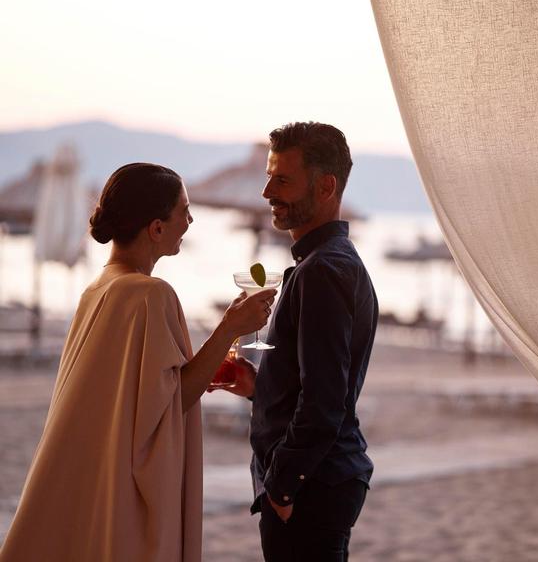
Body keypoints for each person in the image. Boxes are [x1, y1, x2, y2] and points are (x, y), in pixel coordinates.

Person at [0, 163, 276, 562]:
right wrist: (232, 326)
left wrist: (210, 360)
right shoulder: (150, 295)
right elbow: (170, 405)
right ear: (157, 228)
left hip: (90, 480)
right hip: (125, 491)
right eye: (183, 210)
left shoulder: (99, 288)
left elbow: (134, 391)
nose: (191, 219)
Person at [216, 122, 378, 561]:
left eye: (282, 179)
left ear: (326, 187)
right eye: (269, 176)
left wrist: (283, 488)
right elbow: (320, 383)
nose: (267, 191)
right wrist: (260, 386)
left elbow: (325, 402)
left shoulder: (323, 271)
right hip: (322, 479)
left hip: (313, 485)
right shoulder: (322, 264)